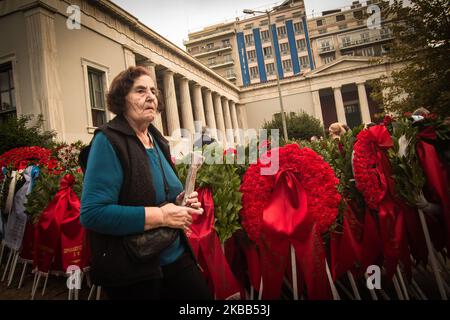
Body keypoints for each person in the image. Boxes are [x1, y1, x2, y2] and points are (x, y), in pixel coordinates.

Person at [80, 66, 212, 300]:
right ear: (122, 99)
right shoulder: (108, 140)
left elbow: (159, 194)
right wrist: (161, 216)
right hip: (134, 271)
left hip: (176, 255)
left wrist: (181, 202)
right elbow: (93, 214)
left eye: (153, 90)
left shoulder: (157, 139)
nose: (151, 96)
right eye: (140, 90)